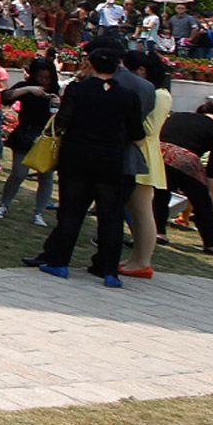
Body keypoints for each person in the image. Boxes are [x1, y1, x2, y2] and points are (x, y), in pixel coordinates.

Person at [28, 40, 145, 284]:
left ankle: (60, 262)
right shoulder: (127, 96)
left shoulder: (77, 90)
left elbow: (62, 122)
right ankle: (109, 271)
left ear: (89, 64)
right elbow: (137, 134)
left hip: (77, 157)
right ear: (116, 67)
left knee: (72, 210)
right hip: (111, 160)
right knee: (111, 216)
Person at [107, 46, 174, 279]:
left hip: (144, 155)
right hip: (139, 154)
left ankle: (143, 260)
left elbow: (148, 129)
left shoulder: (161, 95)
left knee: (142, 211)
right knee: (135, 211)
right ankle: (137, 258)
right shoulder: (153, 92)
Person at [158, 101, 213, 257]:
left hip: (160, 154)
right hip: (186, 161)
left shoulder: (180, 115)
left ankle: (159, 232)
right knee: (202, 203)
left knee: (161, 195)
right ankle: (211, 244)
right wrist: (209, 190)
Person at [0, 53, 59, 225]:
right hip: (26, 133)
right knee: (18, 173)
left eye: (47, 78)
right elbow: (5, 97)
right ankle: (4, 205)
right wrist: (29, 89)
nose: (44, 81)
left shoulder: (56, 91)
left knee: (45, 176)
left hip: (46, 138)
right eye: (40, 77)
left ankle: (39, 213)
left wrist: (58, 103)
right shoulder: (27, 87)